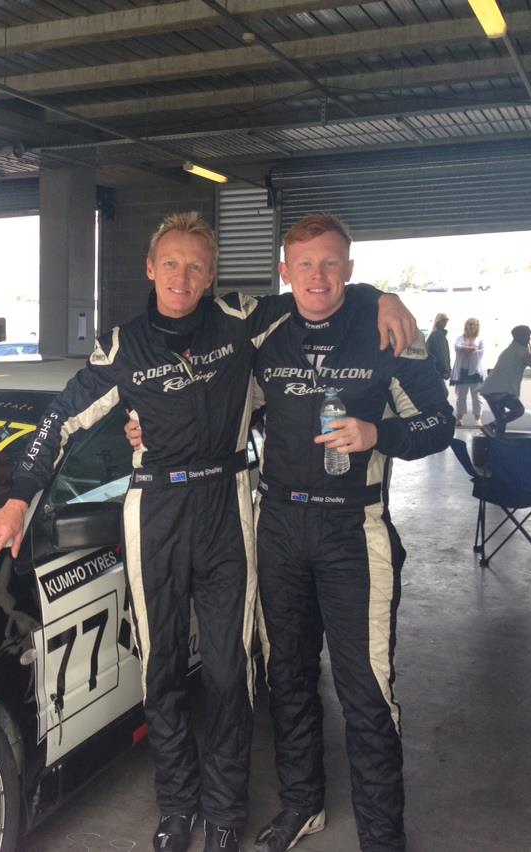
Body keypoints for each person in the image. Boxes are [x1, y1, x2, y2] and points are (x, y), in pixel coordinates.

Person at [0, 212, 417, 852]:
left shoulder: (244, 321)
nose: (183, 277)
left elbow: (320, 293)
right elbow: (62, 418)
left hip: (228, 502)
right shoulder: (123, 345)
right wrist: (20, 499)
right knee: (162, 672)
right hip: (153, 508)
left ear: (211, 277)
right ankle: (177, 808)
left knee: (230, 673)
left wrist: (384, 295)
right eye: (171, 264)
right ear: (151, 269)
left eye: (197, 267)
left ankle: (226, 813)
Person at [128, 214, 450, 852]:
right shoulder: (263, 327)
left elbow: (440, 423)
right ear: (283, 272)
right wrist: (143, 425)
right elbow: (199, 377)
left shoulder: (387, 329)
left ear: (350, 269)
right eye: (303, 265)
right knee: (287, 677)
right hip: (276, 525)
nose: (318, 277)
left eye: (331, 264)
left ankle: (384, 838)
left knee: (366, 689)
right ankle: (303, 805)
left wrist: (379, 433)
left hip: (353, 529)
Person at [479, 325, 531, 437]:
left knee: (502, 420)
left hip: (490, 389)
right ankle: (490, 427)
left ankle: (496, 445)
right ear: (521, 336)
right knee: (518, 410)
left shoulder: (512, 348)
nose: (529, 339)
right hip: (500, 390)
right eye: (527, 336)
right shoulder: (520, 349)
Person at [451, 317, 484, 427]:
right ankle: (459, 418)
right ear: (466, 326)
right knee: (461, 397)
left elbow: (481, 352)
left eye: (473, 324)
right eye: (469, 324)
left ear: (477, 326)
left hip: (475, 372)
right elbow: (457, 347)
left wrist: (468, 349)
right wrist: (470, 349)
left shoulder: (480, 339)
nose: (471, 326)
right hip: (462, 371)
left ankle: (478, 419)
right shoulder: (460, 338)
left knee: (477, 397)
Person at [426, 312, 451, 381]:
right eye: (443, 320)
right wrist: (445, 370)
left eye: (446, 320)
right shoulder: (437, 334)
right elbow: (441, 354)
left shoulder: (436, 333)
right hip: (437, 370)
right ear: (438, 321)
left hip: (434, 370)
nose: (445, 322)